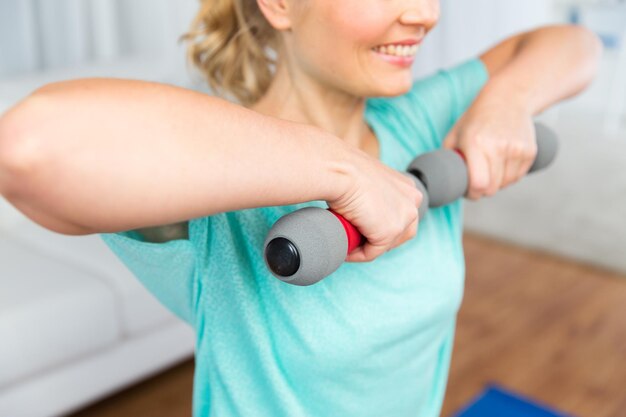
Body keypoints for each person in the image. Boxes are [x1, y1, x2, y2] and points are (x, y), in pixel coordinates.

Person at [0, 1, 601, 416]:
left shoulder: (419, 119)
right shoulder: (217, 181)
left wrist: (506, 99)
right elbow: (26, 147)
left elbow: (575, 45)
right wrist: (339, 168)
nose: (425, 14)